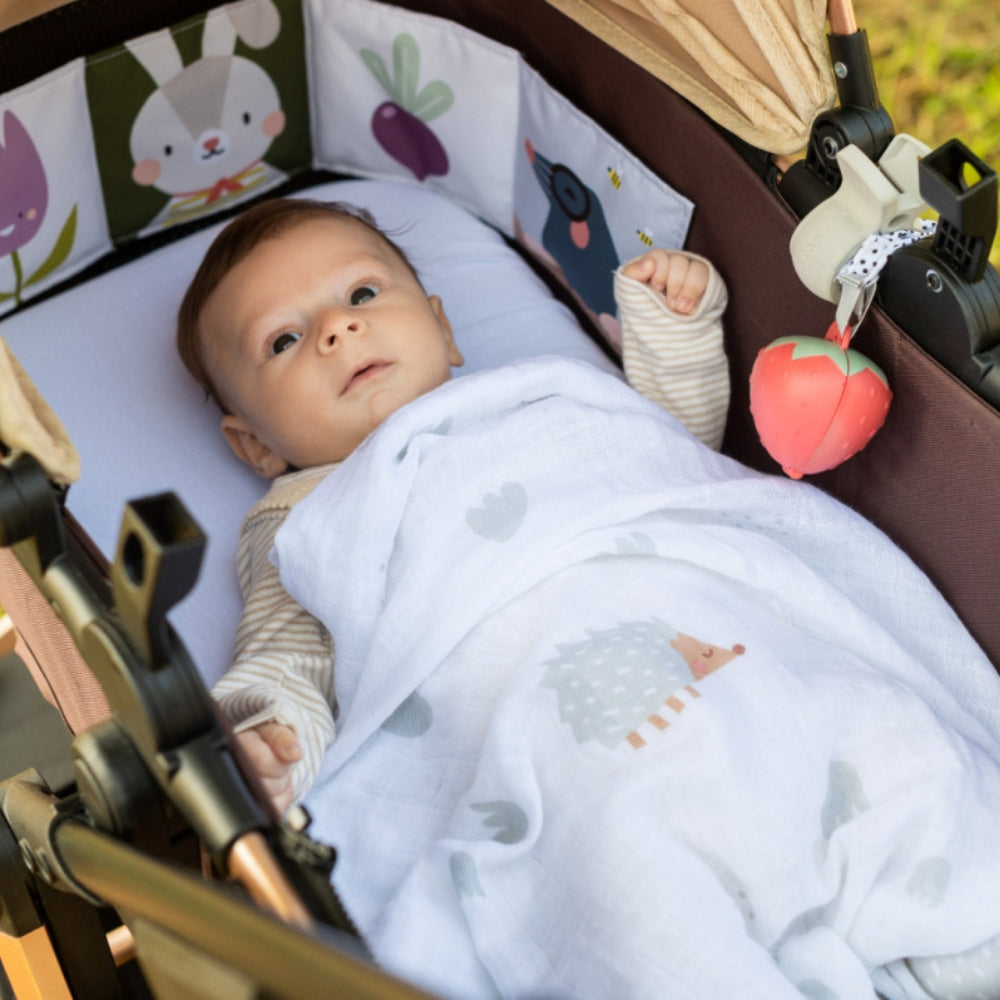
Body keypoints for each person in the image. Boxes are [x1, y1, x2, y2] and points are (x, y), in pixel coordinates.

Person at [176, 195, 729, 812]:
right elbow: (287, 651)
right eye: (284, 339)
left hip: (687, 623)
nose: (337, 329)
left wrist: (674, 333)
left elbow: (674, 461)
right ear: (254, 445)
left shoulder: (534, 397)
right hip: (534, 708)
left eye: (362, 294)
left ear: (443, 329)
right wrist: (272, 735)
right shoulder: (305, 518)